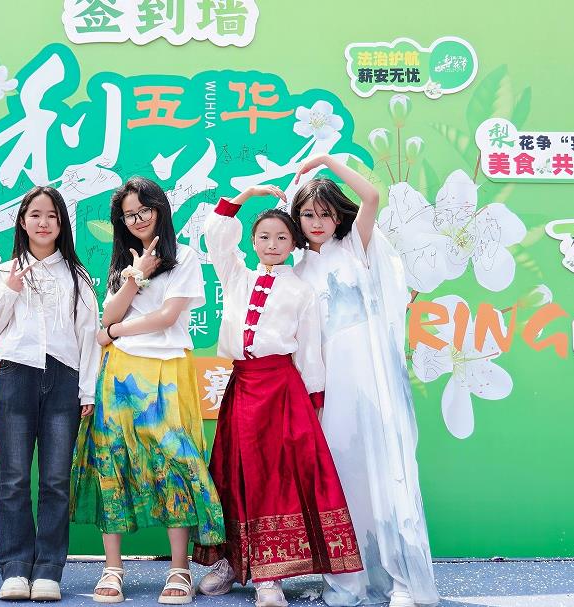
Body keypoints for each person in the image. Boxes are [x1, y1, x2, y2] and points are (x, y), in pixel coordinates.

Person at [192, 185, 362, 607]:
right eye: (264, 237)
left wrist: (314, 402)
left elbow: (309, 350)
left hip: (282, 391)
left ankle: (270, 577)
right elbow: (216, 236)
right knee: (231, 472)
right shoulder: (237, 276)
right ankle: (232, 562)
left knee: (274, 478)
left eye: (282, 237)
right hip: (242, 387)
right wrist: (245, 194)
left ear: (293, 243)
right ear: (252, 242)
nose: (272, 244)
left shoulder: (301, 290)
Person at [290, 154, 439, 607]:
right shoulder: (296, 269)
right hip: (328, 384)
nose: (317, 222)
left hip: (372, 379)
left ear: (338, 216)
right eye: (307, 214)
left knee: (386, 475)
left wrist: (326, 160)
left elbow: (371, 196)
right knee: (342, 477)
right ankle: (348, 579)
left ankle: (401, 581)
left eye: (325, 213)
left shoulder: (356, 245)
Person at [69, 176, 225, 605]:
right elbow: (108, 314)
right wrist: (136, 276)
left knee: (175, 461)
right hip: (119, 373)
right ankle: (113, 567)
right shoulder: (124, 260)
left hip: (167, 368)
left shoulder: (185, 256)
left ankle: (179, 568)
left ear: (160, 209)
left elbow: (167, 317)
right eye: (129, 215)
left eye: (144, 211)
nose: (137, 220)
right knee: (112, 458)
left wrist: (115, 332)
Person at [0, 186, 100, 602]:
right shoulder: (2, 273)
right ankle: (14, 569)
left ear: (62, 224)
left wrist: (86, 390)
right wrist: (10, 288)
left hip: (64, 380)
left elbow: (88, 337)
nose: (43, 223)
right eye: (35, 215)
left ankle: (48, 570)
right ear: (22, 221)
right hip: (16, 376)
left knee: (56, 481)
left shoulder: (78, 277)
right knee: (13, 478)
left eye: (52, 216)